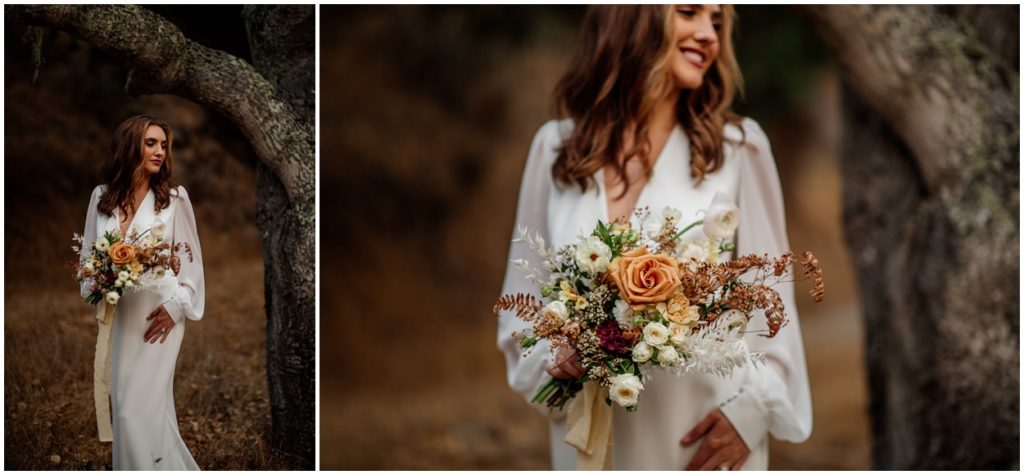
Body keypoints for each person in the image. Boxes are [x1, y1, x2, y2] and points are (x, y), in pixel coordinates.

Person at [496, 5, 811, 470]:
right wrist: (557, 362)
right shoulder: (556, 151)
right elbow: (520, 314)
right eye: (690, 12)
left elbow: (774, 313)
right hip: (591, 442)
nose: (709, 35)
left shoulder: (738, 150)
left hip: (699, 442)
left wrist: (750, 415)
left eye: (718, 23)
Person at [80, 115, 205, 470]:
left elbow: (190, 263)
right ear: (130, 145)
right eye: (151, 143)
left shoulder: (174, 199)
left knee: (135, 409)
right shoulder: (101, 197)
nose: (160, 151)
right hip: (123, 318)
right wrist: (100, 281)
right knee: (132, 410)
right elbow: (89, 259)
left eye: (163, 145)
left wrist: (176, 307)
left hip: (159, 318)